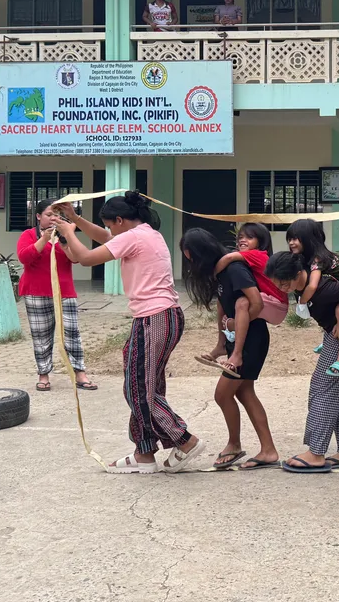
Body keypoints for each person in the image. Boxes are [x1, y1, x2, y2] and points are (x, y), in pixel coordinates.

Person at [54, 193, 203, 474]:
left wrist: (67, 230)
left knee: (138, 391)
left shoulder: (133, 237)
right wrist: (73, 222)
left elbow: (85, 258)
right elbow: (103, 239)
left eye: (111, 225)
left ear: (120, 220)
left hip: (153, 317)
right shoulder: (145, 234)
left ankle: (185, 440)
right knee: (146, 386)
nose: (110, 231)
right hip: (163, 316)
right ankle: (144, 452)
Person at [180, 228, 280, 471]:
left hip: (252, 341)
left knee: (223, 394)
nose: (190, 263)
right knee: (244, 393)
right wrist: (220, 346)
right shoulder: (219, 272)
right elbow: (223, 307)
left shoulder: (234, 269)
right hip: (239, 340)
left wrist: (237, 340)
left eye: (190, 257)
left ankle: (234, 445)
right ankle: (268, 450)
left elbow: (253, 303)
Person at [265, 251, 339, 472]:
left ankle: (315, 452)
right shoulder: (301, 288)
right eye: (278, 285)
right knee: (338, 386)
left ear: (298, 273)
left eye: (284, 283)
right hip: (335, 333)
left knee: (323, 386)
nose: (283, 288)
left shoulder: (324, 287)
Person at [16, 200, 97, 393]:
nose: (53, 218)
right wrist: (44, 239)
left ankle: (80, 373)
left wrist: (65, 240)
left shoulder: (66, 235)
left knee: (71, 334)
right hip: (36, 292)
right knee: (41, 336)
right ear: (38, 217)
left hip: (64, 292)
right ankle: (43, 375)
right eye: (49, 214)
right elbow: (24, 258)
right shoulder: (28, 235)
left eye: (57, 215)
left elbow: (76, 258)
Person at [286, 218, 339, 370]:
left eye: (295, 238)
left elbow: (313, 286)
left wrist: (302, 302)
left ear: (309, 239)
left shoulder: (318, 258)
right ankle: (329, 340)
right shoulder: (304, 259)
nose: (291, 242)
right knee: (326, 307)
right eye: (289, 239)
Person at [211, 222, 289, 326]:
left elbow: (229, 258)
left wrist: (213, 275)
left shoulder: (257, 254)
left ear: (260, 241)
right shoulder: (255, 257)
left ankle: (235, 326)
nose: (243, 240)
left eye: (250, 237)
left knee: (243, 302)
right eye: (241, 237)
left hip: (277, 306)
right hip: (275, 306)